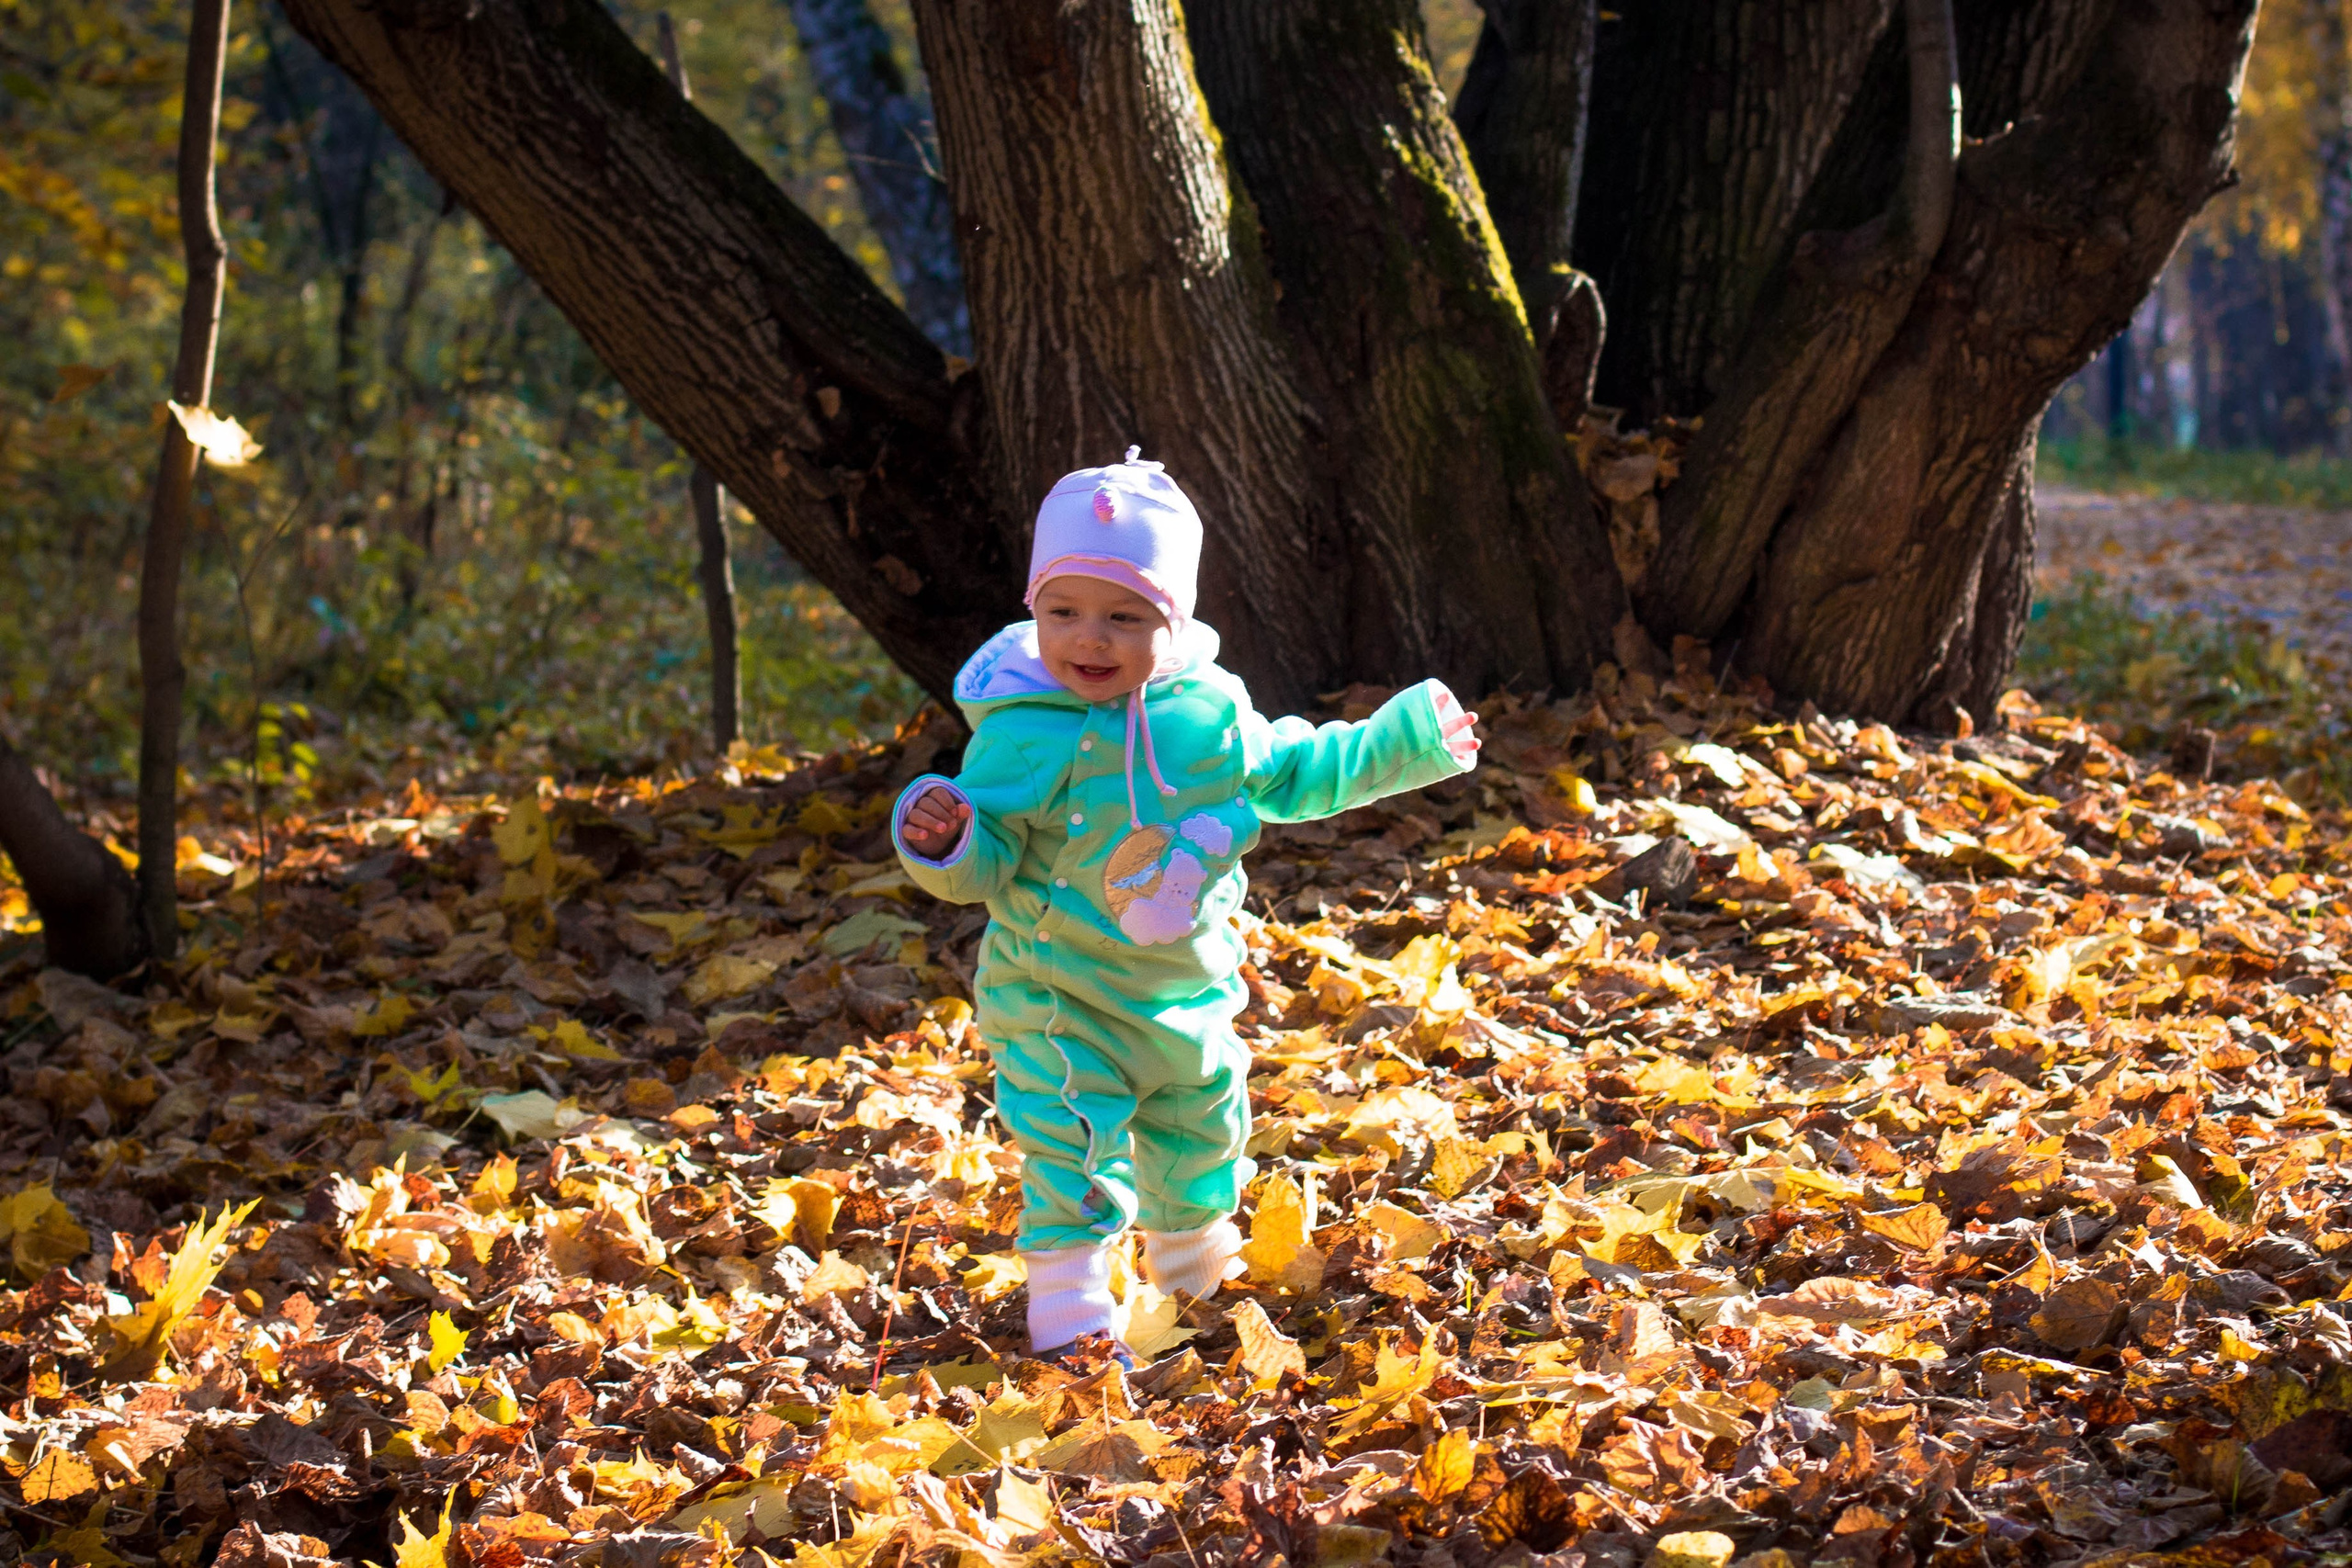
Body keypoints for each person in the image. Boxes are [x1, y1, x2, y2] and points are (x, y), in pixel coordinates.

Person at [892, 446, 1480, 1363]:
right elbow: (988, 861)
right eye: (1063, 612)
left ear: (1174, 618)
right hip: (1058, 998)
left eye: (1124, 617)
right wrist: (947, 837)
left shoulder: (1208, 716)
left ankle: (1194, 1286)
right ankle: (1072, 1321)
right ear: (1033, 608)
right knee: (1073, 1149)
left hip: (1184, 993)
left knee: (1198, 1134)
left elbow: (1299, 771)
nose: (1091, 640)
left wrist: (1405, 741)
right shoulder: (1020, 733)